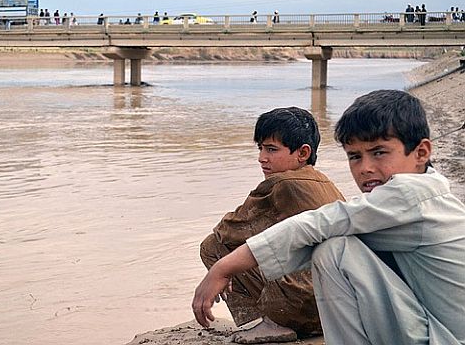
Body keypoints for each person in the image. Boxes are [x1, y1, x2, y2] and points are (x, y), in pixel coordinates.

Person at [193, 89, 465, 345]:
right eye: (355, 156)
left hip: (444, 337)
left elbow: (313, 225)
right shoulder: (433, 190)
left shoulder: (407, 193)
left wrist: (223, 268)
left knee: (334, 250)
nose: (365, 168)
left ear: (421, 153)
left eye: (379, 152)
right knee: (338, 241)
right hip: (441, 327)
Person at [199, 107, 344, 343]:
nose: (261, 157)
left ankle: (261, 324)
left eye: (271, 149)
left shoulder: (281, 183)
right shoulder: (324, 182)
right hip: (335, 309)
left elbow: (227, 231)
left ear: (302, 153)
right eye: (261, 148)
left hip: (298, 305)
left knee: (212, 246)